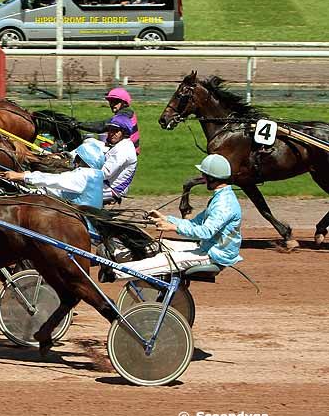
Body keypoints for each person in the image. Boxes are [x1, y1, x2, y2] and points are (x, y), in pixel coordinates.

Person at [110, 154, 242, 281]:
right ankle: (115, 257)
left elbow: (205, 232)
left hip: (214, 255)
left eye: (204, 175)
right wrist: (166, 219)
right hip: (206, 248)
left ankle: (115, 272)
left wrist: (173, 228)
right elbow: (195, 223)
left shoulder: (224, 203)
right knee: (159, 245)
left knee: (163, 260)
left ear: (212, 178)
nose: (202, 178)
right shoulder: (220, 197)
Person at [2, 141, 105, 209]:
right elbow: (60, 190)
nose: (74, 161)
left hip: (82, 225)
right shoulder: (95, 176)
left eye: (78, 158)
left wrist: (22, 176)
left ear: (85, 161)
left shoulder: (85, 175)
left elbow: (55, 180)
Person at [77, 87, 141, 155]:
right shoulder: (125, 113)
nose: (112, 104)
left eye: (116, 102)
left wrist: (78, 124)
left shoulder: (125, 114)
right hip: (124, 149)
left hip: (125, 152)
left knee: (88, 143)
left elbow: (102, 126)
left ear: (124, 103)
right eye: (111, 102)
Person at [100, 114, 137, 204]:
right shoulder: (121, 145)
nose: (112, 133)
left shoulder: (123, 150)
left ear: (124, 133)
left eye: (116, 131)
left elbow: (105, 173)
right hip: (105, 185)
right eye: (110, 130)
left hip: (111, 189)